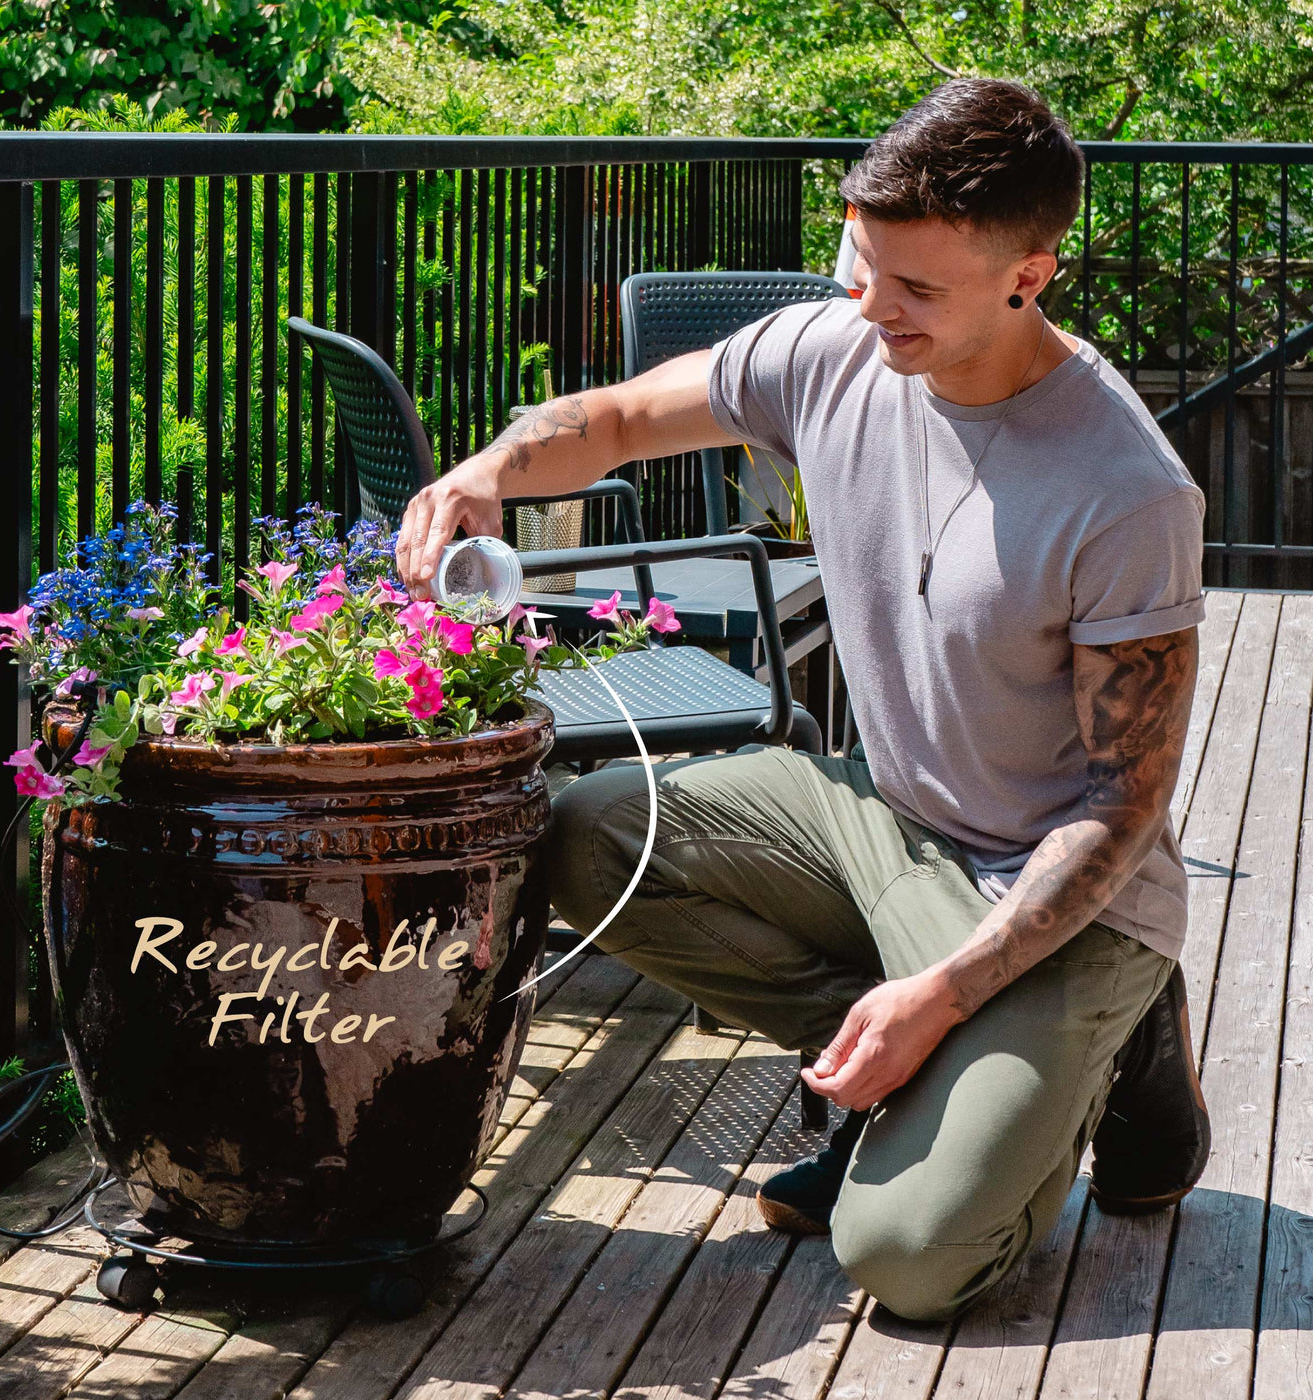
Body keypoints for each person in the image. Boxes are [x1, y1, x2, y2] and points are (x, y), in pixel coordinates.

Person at [396, 76, 1211, 1322]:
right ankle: (932, 1067)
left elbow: (1118, 808)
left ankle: (1107, 1038)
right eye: (860, 261)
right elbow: (612, 421)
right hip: (879, 818)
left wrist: (938, 997)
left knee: (907, 1255)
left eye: (915, 289)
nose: (869, 307)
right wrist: (489, 467)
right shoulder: (834, 344)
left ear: (1027, 277)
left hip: (1062, 892)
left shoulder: (1125, 490)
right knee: (583, 837)